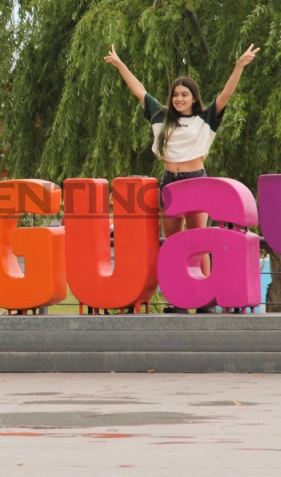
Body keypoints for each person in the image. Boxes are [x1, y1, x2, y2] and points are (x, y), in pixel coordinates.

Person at [105, 43, 259, 312]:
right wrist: (119, 64)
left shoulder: (206, 118)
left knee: (198, 241)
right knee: (174, 244)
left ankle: (205, 301)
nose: (178, 99)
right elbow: (139, 90)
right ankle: (178, 299)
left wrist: (239, 66)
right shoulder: (160, 116)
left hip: (196, 182)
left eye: (184, 95)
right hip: (170, 183)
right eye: (175, 94)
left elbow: (226, 94)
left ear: (193, 98)